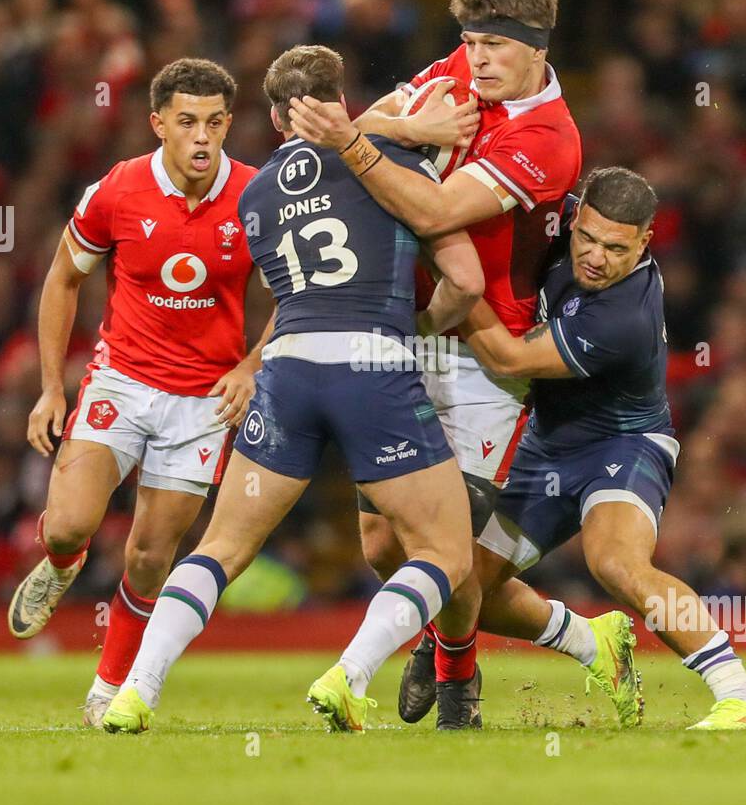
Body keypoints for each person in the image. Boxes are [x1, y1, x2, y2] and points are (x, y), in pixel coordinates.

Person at [102, 44, 485, 734]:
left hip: (286, 369)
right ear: (341, 98)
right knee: (446, 553)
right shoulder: (394, 163)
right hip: (373, 364)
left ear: (277, 120)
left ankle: (136, 691)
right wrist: (424, 323)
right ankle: (351, 674)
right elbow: (466, 282)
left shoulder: (254, 191)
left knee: (219, 549)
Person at [288, 0, 582, 726]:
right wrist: (408, 131)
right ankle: (561, 642)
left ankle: (455, 678)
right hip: (411, 328)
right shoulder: (458, 72)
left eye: (492, 48)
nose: (475, 61)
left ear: (535, 50)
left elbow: (439, 203)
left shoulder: (547, 140)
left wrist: (356, 141)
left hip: (485, 352)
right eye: (469, 43)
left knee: (449, 545)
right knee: (385, 544)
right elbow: (383, 114)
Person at [424, 167, 746, 731]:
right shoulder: (561, 219)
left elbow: (509, 360)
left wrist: (445, 272)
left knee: (615, 562)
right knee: (461, 587)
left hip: (623, 443)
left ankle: (739, 693)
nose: (594, 256)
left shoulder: (625, 317)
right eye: (586, 238)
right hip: (544, 446)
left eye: (615, 248)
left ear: (644, 242)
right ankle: (590, 639)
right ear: (575, 214)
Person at [8, 58, 270, 727]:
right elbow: (62, 279)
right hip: (120, 382)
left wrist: (249, 365)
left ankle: (107, 690)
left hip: (204, 403)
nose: (202, 136)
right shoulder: (118, 190)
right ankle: (60, 562)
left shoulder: (255, 197)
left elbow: (296, 293)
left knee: (151, 557)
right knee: (69, 523)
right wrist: (49, 389)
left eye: (214, 121)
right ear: (158, 124)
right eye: (186, 121)